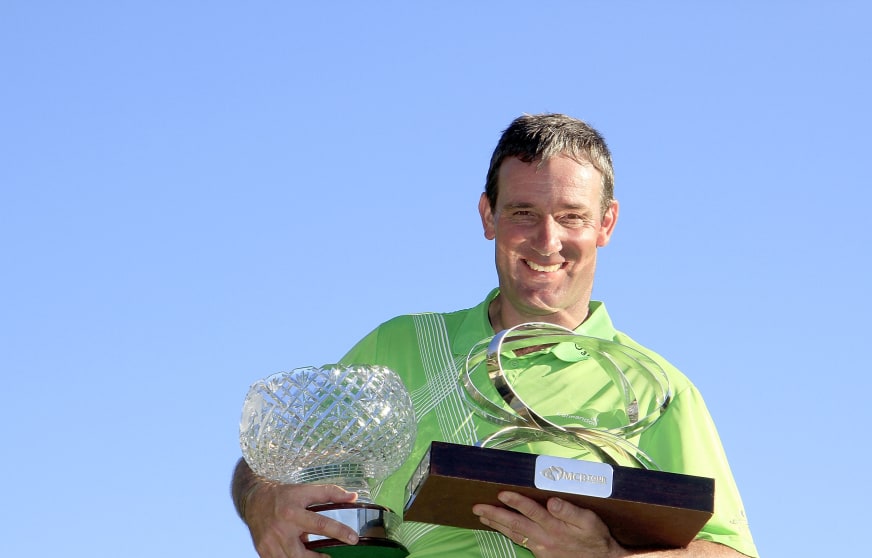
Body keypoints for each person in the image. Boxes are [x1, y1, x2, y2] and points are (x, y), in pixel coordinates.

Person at [231, 113, 759, 558]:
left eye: (572, 217)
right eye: (523, 213)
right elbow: (269, 464)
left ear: (606, 223)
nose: (547, 240)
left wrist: (607, 557)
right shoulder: (398, 346)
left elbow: (730, 552)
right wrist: (262, 502)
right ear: (488, 215)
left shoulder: (659, 389)